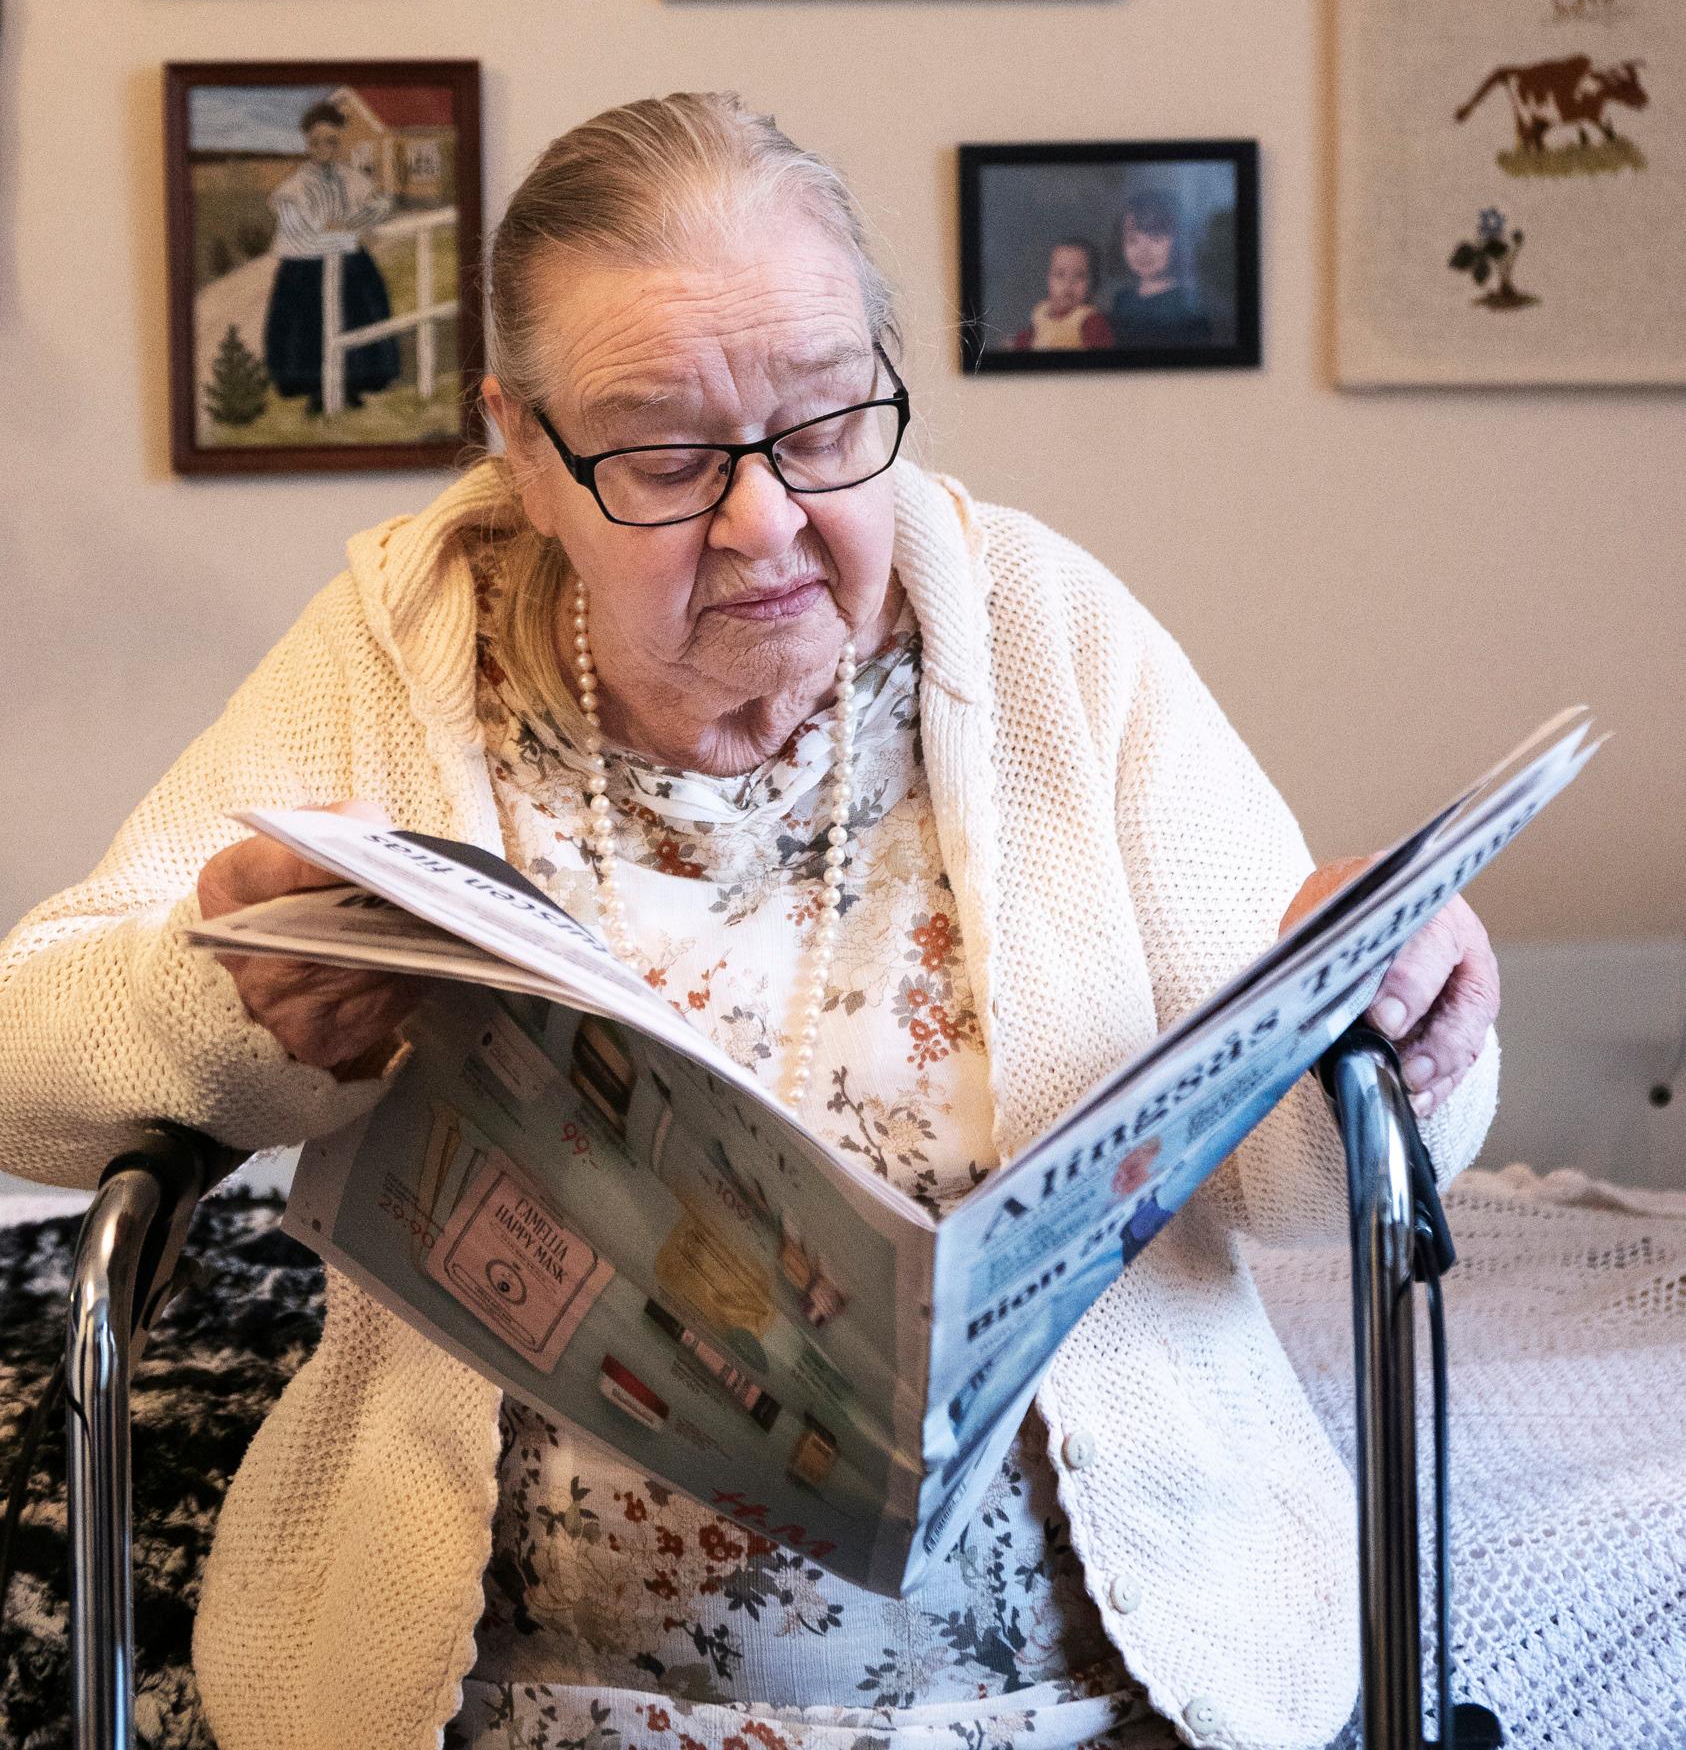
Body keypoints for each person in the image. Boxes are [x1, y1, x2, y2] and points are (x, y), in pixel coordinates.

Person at [0, 95, 1501, 1750]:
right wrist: (236, 996)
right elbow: (27, 1062)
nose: (766, 517)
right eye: (661, 456)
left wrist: (1398, 1025)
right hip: (522, 1709)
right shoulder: (392, 650)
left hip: (1088, 1700)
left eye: (824, 425)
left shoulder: (1053, 637)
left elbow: (1299, 1181)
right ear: (521, 448)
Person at [262, 95, 401, 416]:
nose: (324, 148)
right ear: (308, 143)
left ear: (337, 143)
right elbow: (300, 225)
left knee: (359, 314)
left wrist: (351, 222)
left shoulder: (347, 177)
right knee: (306, 326)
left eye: (331, 142)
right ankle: (314, 391)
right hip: (305, 268)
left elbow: (379, 204)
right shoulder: (297, 186)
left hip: (348, 262)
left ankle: (354, 386)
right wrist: (328, 228)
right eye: (317, 142)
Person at [1107, 187, 1215, 347]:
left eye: (1155, 237)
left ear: (1180, 241)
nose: (1142, 250)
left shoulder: (1188, 306)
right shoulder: (1122, 300)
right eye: (1132, 240)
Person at [1011, 235, 1115, 350]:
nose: (1068, 283)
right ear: (1049, 279)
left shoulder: (1091, 321)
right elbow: (1027, 340)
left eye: (1079, 276)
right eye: (1060, 274)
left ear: (1093, 283)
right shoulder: (1041, 312)